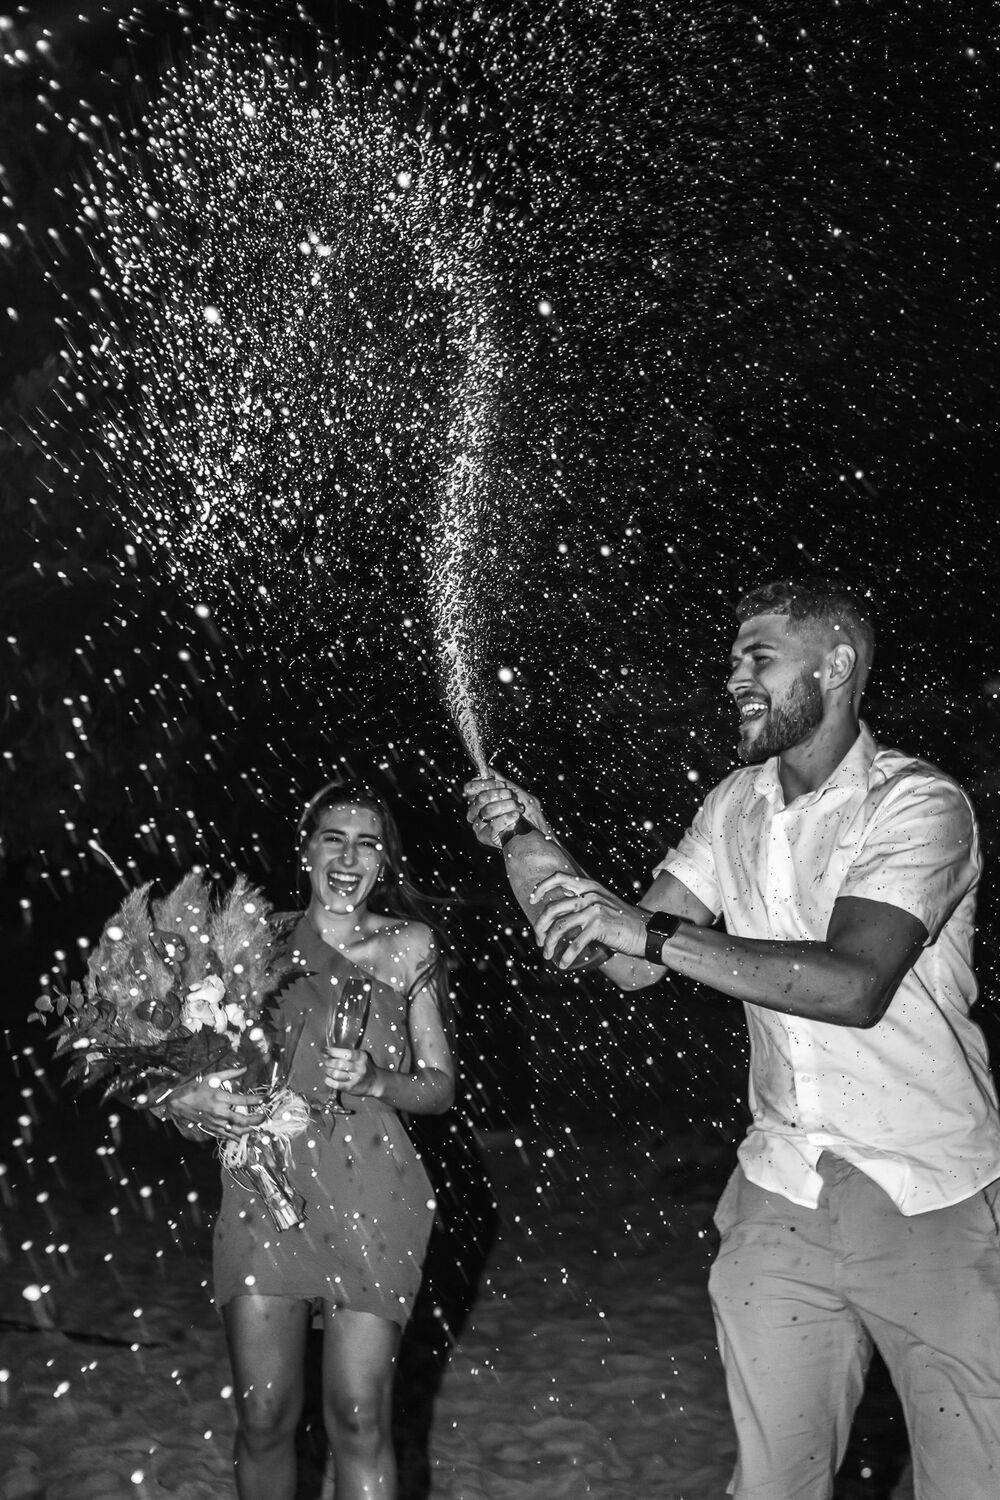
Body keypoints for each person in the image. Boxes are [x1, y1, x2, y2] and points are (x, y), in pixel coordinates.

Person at [465, 577, 1000, 1499]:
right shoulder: (734, 805)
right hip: (781, 1189)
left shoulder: (920, 804)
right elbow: (627, 960)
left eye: (760, 657)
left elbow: (852, 983)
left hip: (931, 1193)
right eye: (731, 662)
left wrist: (646, 932)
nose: (734, 680)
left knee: (970, 1480)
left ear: (837, 665)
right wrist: (527, 841)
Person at [163, 784, 455, 1500]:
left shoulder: (409, 945)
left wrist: (380, 1079)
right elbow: (186, 1071)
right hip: (266, 1185)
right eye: (334, 839)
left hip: (373, 1190)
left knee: (358, 1417)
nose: (349, 857)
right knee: (264, 1415)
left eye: (367, 843)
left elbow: (439, 1086)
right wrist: (184, 1099)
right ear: (306, 851)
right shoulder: (252, 942)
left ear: (384, 861)